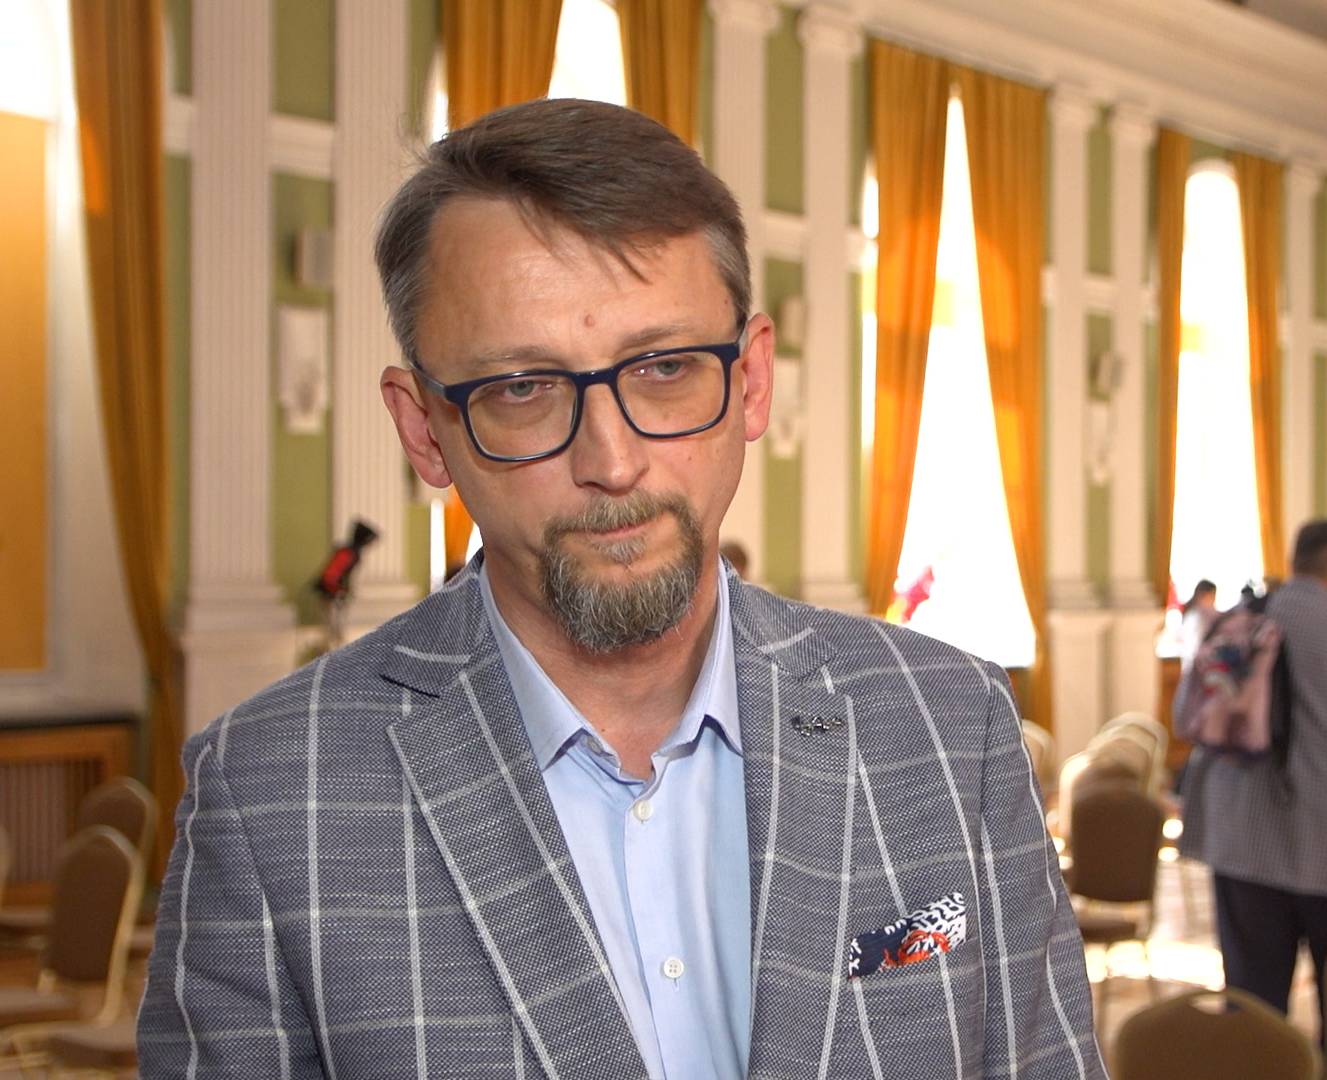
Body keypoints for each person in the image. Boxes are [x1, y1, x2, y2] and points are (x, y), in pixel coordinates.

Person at [138, 99, 1102, 1080]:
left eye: (667, 368)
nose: (613, 460)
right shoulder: (269, 797)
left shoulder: (951, 728)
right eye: (522, 388)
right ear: (425, 430)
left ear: (752, 381)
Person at [1179, 519, 1327, 1031]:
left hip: (1244, 840)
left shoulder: (1240, 622)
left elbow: (1187, 715)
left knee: (1253, 1008)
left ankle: (1257, 1065)